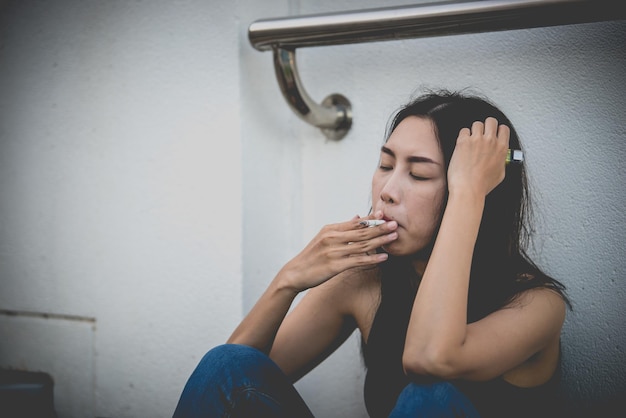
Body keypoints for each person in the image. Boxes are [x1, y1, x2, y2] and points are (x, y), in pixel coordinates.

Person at [173, 89, 570, 418]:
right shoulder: (364, 280)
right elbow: (234, 386)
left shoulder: (535, 305)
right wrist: (288, 280)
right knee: (226, 362)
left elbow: (430, 359)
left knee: (428, 397)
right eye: (385, 165)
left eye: (418, 174)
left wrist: (468, 195)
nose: (387, 190)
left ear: (476, 190)